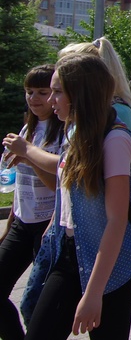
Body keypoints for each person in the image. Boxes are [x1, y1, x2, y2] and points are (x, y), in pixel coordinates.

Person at [23, 54, 131, 339]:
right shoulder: (75, 131)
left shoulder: (115, 141)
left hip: (112, 264)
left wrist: (93, 294)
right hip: (68, 254)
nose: (51, 100)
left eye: (57, 91)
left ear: (80, 93)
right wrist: (56, 223)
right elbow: (68, 182)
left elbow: (116, 221)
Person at [0, 65, 64, 340]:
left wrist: (28, 156)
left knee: (36, 305)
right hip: (22, 224)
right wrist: (9, 225)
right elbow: (21, 187)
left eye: (42, 92)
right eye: (29, 91)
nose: (34, 98)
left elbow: (56, 183)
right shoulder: (29, 127)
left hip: (48, 226)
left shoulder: (62, 129)